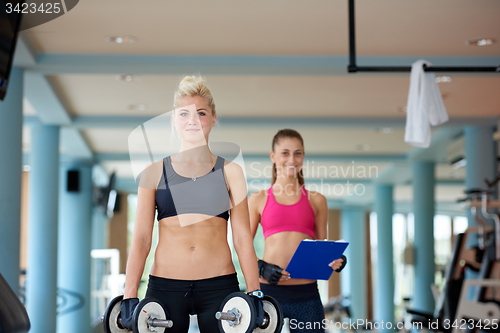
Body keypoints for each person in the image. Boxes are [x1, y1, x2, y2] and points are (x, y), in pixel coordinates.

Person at [120, 76, 264, 333]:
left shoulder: (231, 172)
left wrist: (255, 291)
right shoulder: (153, 172)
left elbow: (242, 237)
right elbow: (141, 237)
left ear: (213, 118)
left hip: (219, 285)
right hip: (166, 285)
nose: (193, 120)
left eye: (201, 113)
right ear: (174, 120)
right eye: (184, 114)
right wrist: (129, 294)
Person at [249, 129, 346, 333]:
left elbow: (322, 248)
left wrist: (337, 260)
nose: (291, 159)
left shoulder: (317, 200)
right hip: (268, 292)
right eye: (285, 153)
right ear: (273, 156)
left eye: (298, 153)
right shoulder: (257, 199)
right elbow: (243, 247)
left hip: (306, 295)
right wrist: (261, 267)